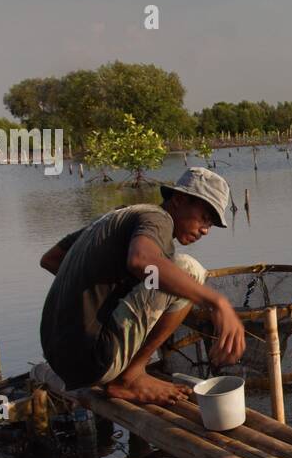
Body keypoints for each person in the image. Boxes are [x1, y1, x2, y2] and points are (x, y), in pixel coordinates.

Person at [38, 166, 245, 405]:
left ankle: (120, 367)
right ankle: (130, 377)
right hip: (92, 360)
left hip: (60, 358)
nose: (206, 230)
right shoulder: (159, 219)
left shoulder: (118, 217)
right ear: (178, 199)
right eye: (204, 218)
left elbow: (51, 259)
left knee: (165, 274)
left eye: (211, 224)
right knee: (188, 270)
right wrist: (216, 302)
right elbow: (141, 261)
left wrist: (106, 292)